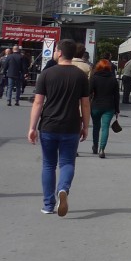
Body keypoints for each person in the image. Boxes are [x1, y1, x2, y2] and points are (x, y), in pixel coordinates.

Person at [28, 38, 90, 216]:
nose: (54, 52)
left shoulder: (47, 74)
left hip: (48, 125)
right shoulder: (80, 76)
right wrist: (85, 126)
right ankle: (63, 189)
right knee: (67, 163)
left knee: (48, 165)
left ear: (60, 52)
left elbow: (38, 102)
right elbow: (85, 104)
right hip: (71, 125)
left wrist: (32, 127)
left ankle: (48, 205)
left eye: (56, 50)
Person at [89, 58, 121, 157]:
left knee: (96, 127)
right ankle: (102, 149)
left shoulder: (94, 78)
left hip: (96, 106)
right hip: (109, 106)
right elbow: (116, 96)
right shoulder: (113, 80)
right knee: (105, 127)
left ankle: (95, 145)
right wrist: (117, 109)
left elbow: (88, 92)